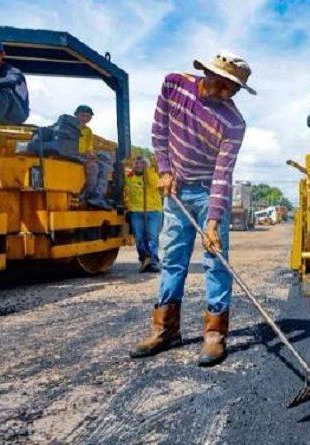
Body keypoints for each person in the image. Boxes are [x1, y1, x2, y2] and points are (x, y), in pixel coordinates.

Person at [130, 51, 254, 367]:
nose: (225, 94)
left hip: (208, 191)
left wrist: (213, 222)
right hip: (176, 189)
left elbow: (223, 173)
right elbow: (159, 131)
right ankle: (165, 330)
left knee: (216, 261)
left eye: (233, 90)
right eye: (223, 85)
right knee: (173, 259)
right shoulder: (174, 85)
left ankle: (214, 335)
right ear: (207, 73)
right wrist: (164, 170)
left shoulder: (234, 122)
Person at [125, 156, 163, 273]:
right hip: (136, 211)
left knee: (152, 237)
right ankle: (145, 259)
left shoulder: (152, 176)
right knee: (139, 238)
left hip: (153, 211)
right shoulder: (129, 177)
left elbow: (155, 183)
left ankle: (153, 262)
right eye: (136, 163)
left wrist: (147, 171)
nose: (139, 165)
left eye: (142, 163)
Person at [75, 105, 112, 209]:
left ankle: (98, 195)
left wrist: (91, 154)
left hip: (84, 156)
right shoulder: (69, 127)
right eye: (83, 115)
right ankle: (87, 194)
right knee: (93, 167)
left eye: (88, 116)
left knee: (104, 166)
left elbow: (89, 147)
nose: (85, 118)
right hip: (72, 155)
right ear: (76, 115)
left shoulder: (88, 131)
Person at [0, 38, 29, 125]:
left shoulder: (13, 72)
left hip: (15, 114)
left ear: (2, 54)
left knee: (1, 89)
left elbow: (13, 80)